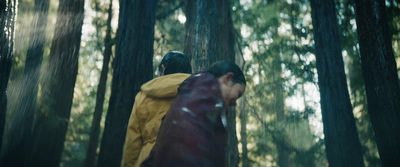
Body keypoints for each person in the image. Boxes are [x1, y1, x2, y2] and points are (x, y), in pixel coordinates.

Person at [141, 61, 246, 167]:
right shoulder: (207, 96)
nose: (235, 103)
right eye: (239, 93)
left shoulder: (190, 94)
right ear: (227, 79)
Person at [121, 51, 192, 167]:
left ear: (163, 69)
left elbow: (133, 142)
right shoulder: (195, 93)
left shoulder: (143, 97)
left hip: (148, 160)